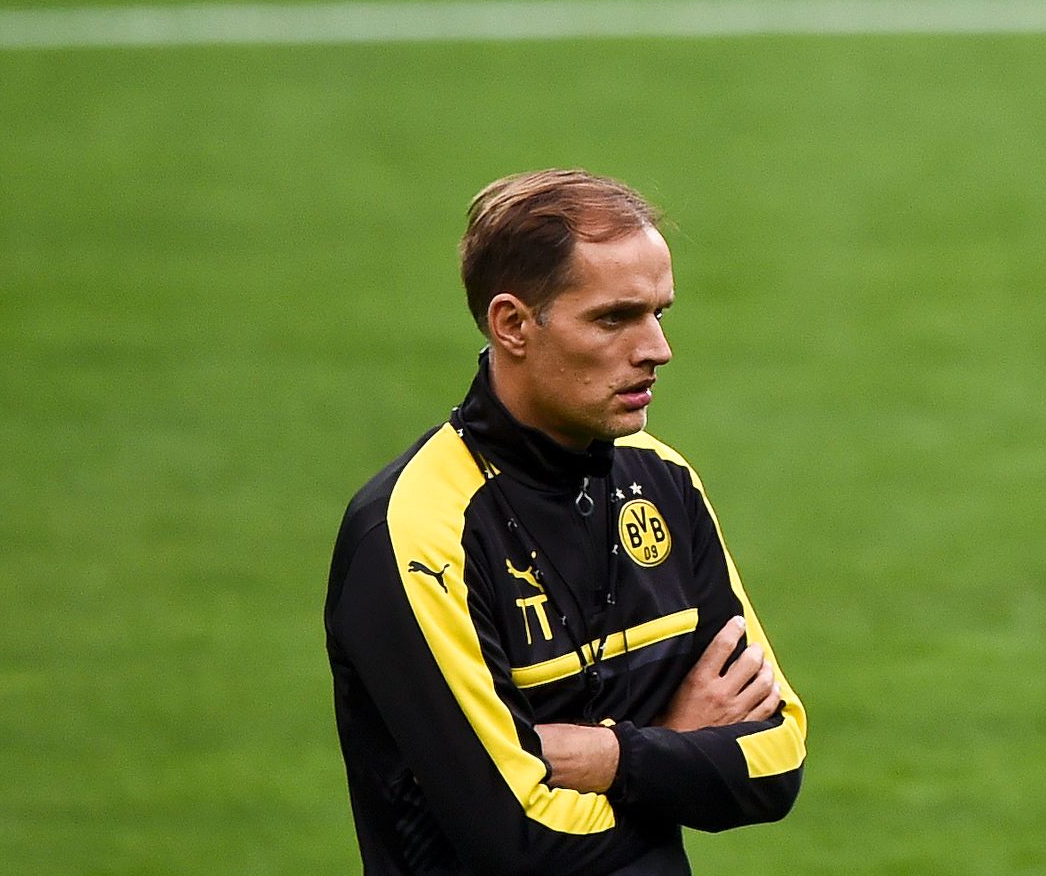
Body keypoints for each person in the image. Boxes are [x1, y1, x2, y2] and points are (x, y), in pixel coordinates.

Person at [327, 171, 811, 875]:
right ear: (513, 324)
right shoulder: (417, 532)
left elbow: (775, 761)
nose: (656, 349)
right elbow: (518, 843)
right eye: (614, 318)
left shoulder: (663, 482)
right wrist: (677, 748)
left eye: (659, 313)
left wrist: (610, 756)